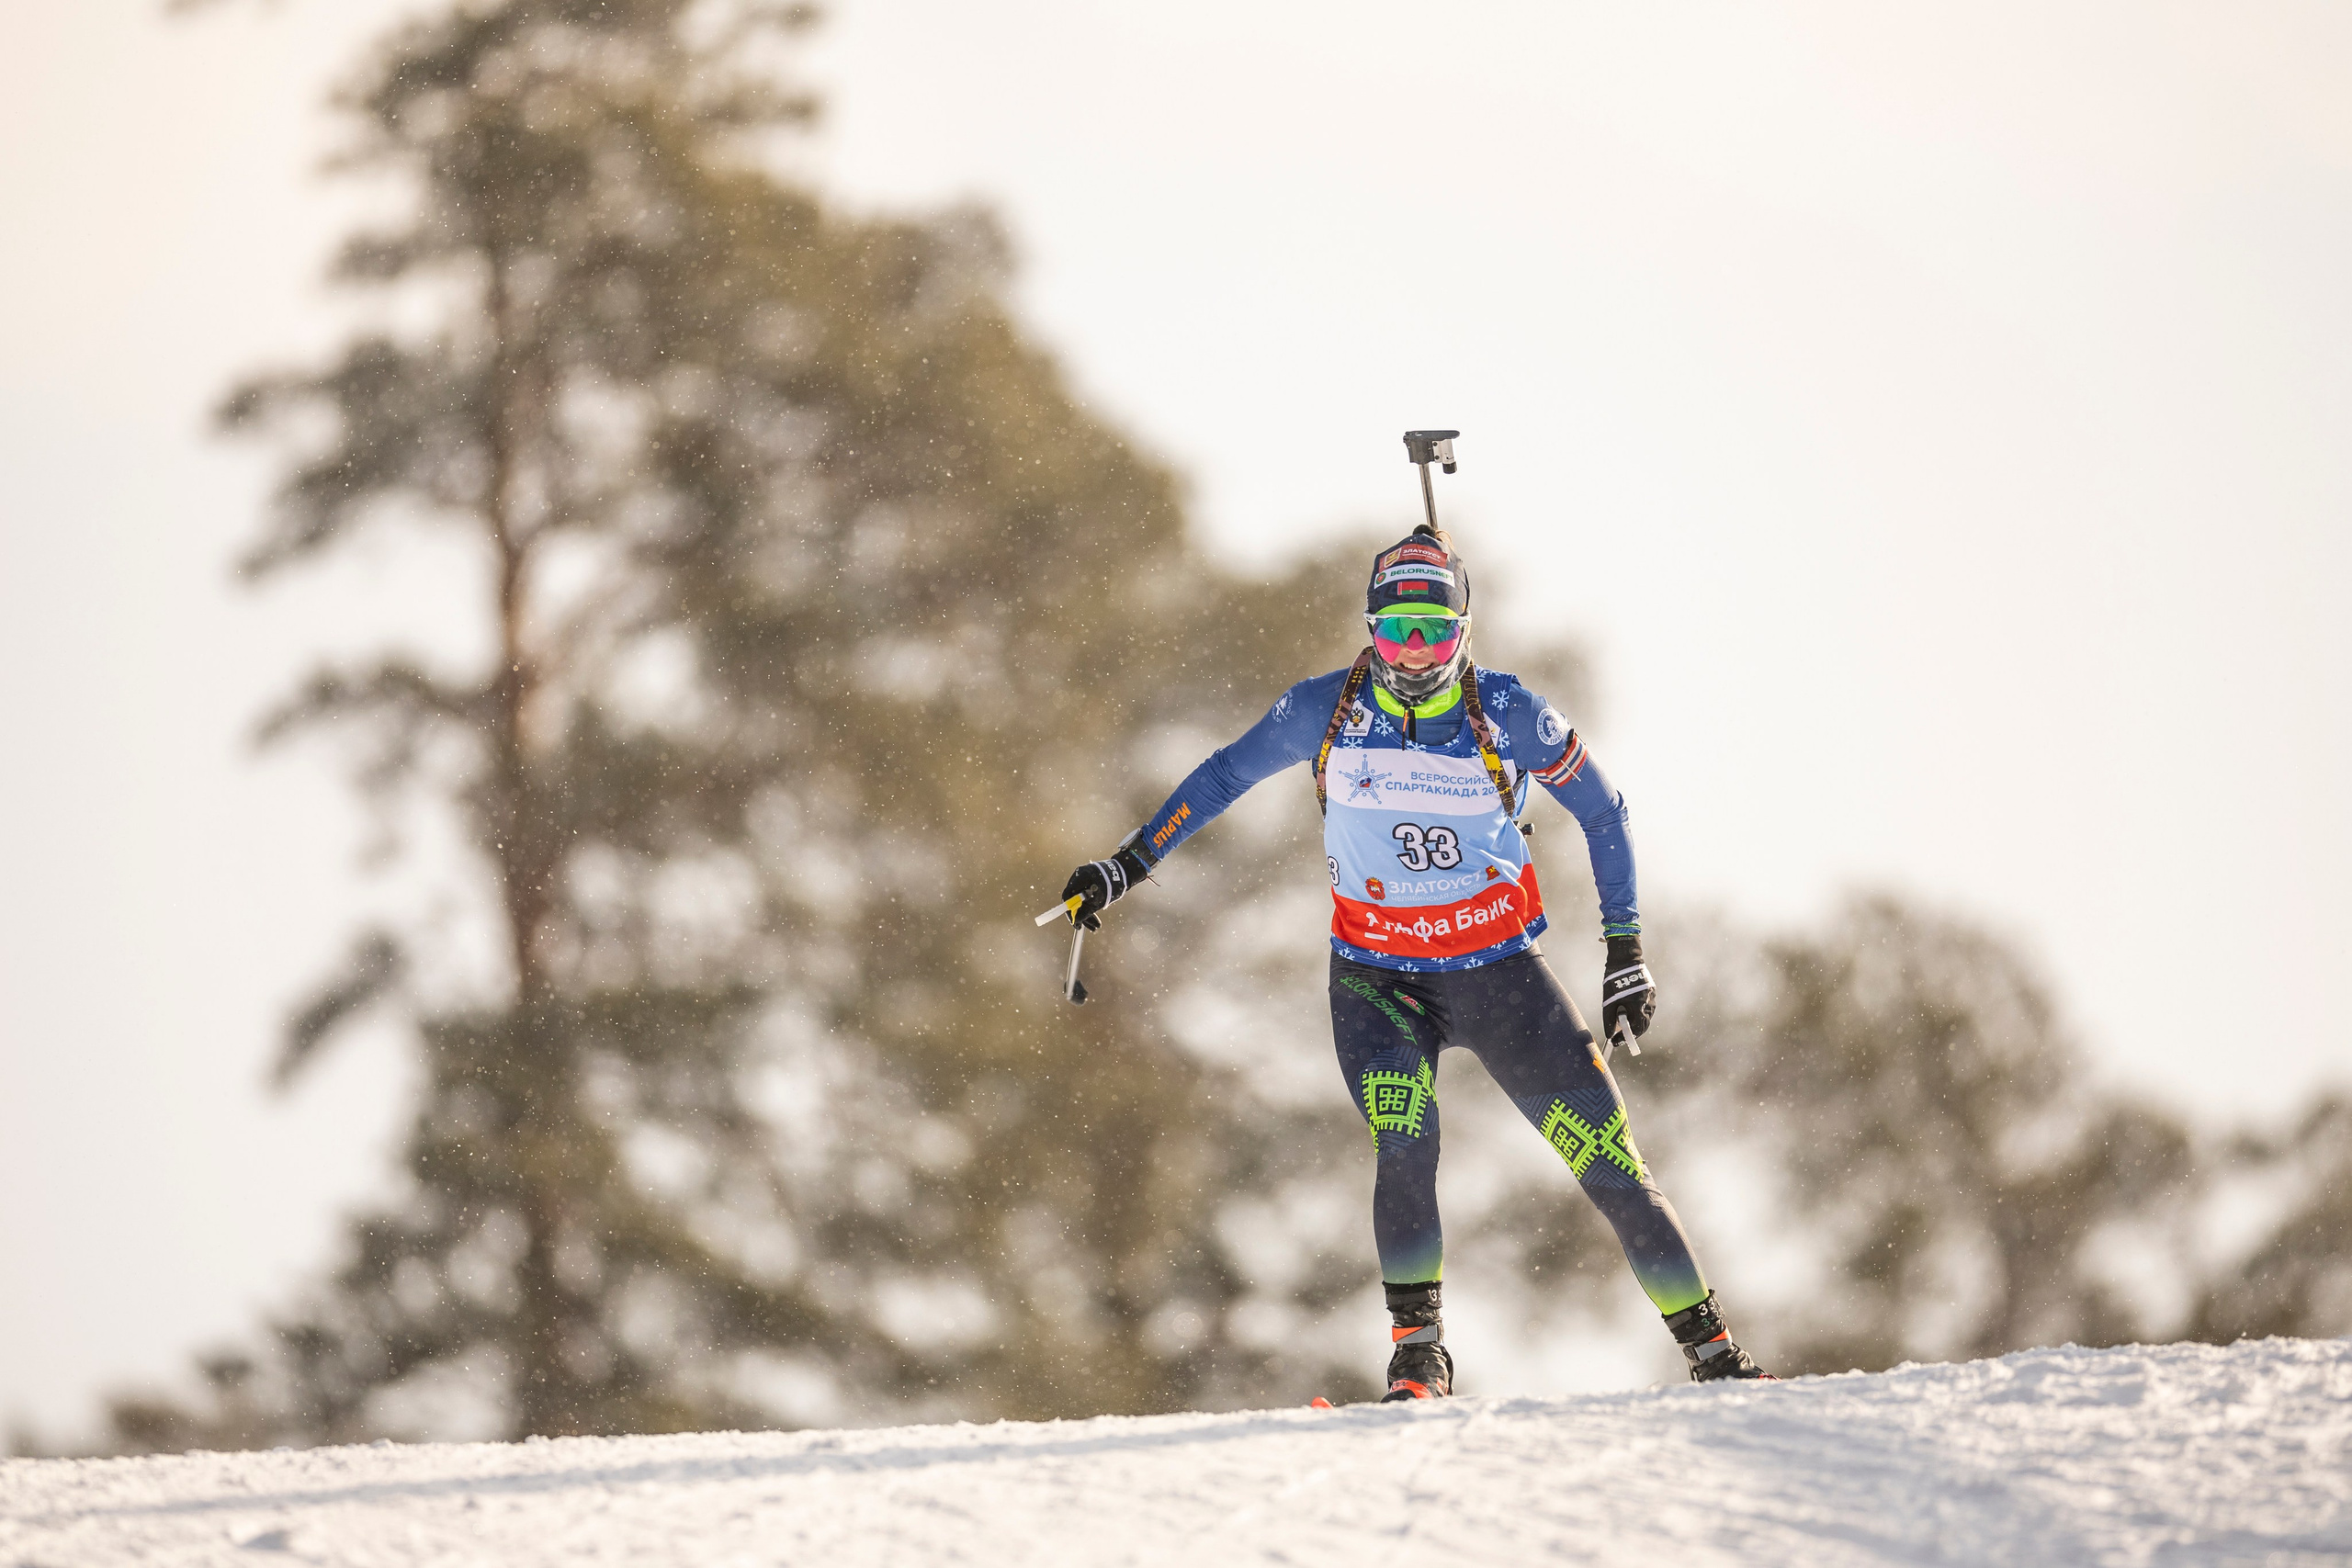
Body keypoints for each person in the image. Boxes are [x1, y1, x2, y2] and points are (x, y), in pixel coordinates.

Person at [1059, 524, 1770, 1399]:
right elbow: (1220, 777)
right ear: (1371, 630)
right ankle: (1417, 1356)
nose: (1416, 652)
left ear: (1464, 629)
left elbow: (1603, 810)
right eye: (1397, 632)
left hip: (1500, 976)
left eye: (1434, 630)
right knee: (1404, 1144)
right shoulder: (1324, 709)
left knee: (1609, 1163)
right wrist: (1125, 866)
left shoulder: (1505, 710)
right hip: (1377, 981)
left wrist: (1625, 950)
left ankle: (1716, 1354)